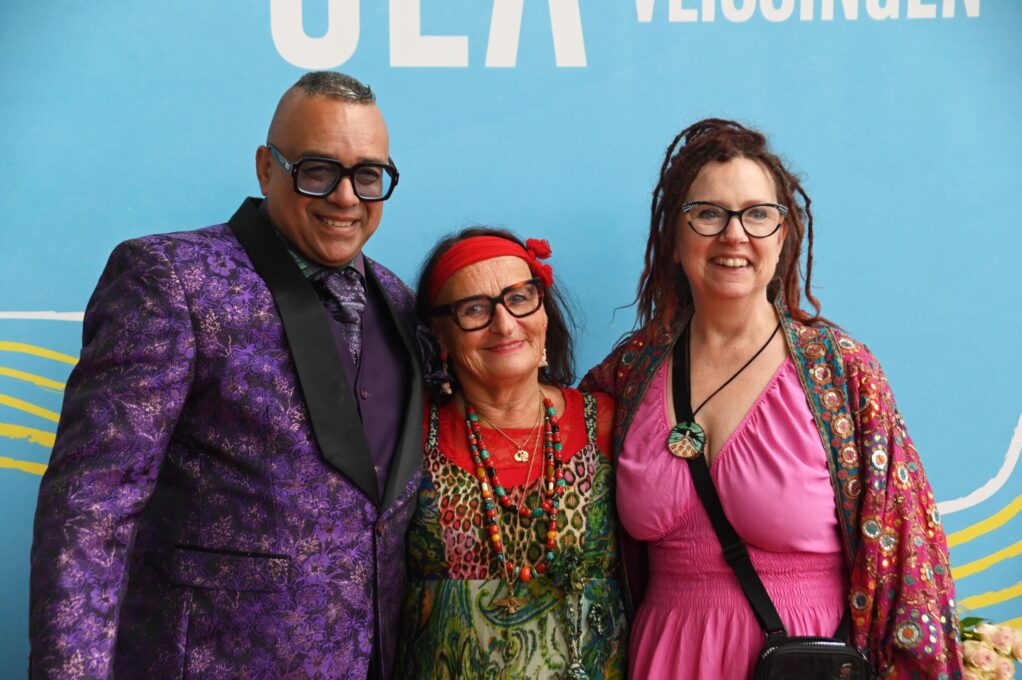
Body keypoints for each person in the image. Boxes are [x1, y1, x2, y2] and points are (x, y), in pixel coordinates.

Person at [29, 72, 423, 679]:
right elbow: (91, 510)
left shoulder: (399, 300)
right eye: (318, 170)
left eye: (368, 175)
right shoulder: (170, 278)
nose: (346, 197)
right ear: (267, 168)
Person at [580, 119, 963, 679]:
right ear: (675, 238)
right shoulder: (627, 375)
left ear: (783, 237)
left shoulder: (842, 373)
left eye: (758, 214)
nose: (734, 234)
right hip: (663, 660)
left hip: (802, 664)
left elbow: (911, 566)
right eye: (708, 214)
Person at [394, 228, 628, 679]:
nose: (504, 324)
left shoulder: (607, 422)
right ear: (440, 336)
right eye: (474, 309)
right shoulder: (408, 433)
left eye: (519, 298)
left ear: (543, 312)